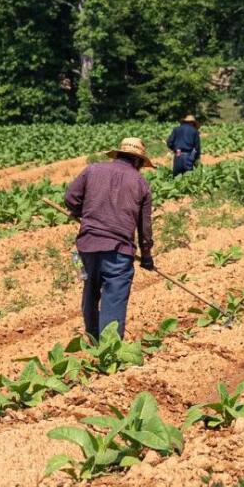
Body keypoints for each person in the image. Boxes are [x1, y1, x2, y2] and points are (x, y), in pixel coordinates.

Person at [64, 137, 156, 340]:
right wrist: (147, 256)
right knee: (113, 297)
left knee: (89, 289)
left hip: (86, 247)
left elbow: (70, 198)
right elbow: (144, 227)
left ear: (118, 155)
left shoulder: (92, 170)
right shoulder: (141, 183)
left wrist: (84, 213)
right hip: (118, 251)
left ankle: (93, 338)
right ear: (138, 161)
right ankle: (108, 350)